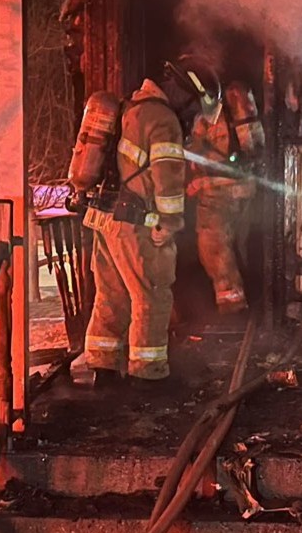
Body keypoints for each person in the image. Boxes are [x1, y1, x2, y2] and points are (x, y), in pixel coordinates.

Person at [72, 57, 216, 383]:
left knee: (112, 295)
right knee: (152, 295)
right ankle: (147, 374)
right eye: (194, 106)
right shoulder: (163, 118)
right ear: (185, 93)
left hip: (106, 216)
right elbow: (168, 177)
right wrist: (170, 222)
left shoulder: (131, 106)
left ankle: (104, 368)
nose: (193, 116)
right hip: (136, 224)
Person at [187, 76, 264, 313]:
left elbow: (197, 154)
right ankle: (242, 297)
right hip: (241, 190)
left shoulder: (212, 117)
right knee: (235, 242)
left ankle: (232, 305)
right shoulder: (236, 110)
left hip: (218, 191)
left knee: (213, 245)